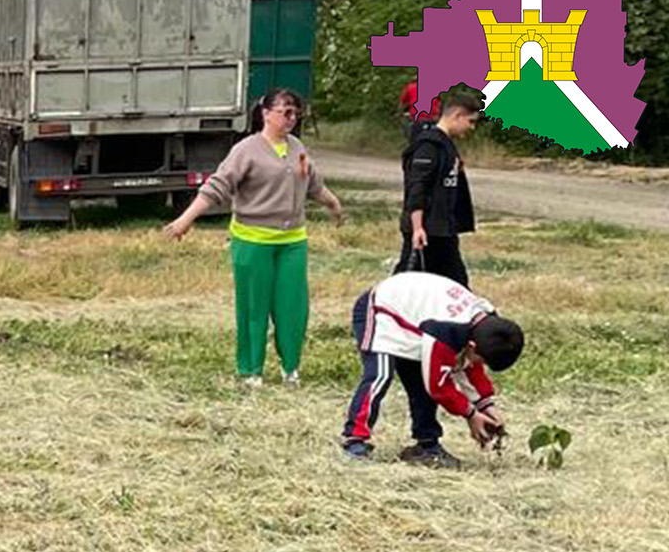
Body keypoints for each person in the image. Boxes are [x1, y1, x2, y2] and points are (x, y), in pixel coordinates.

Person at [162, 89, 345, 387]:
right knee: (253, 307)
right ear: (266, 113)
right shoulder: (246, 150)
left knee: (293, 307)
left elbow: (314, 185)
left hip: (292, 241)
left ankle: (291, 368)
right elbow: (216, 188)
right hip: (253, 241)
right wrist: (186, 219)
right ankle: (251, 370)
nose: (291, 118)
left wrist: (334, 205)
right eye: (285, 111)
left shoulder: (297, 147)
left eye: (295, 113)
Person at [341, 270, 523, 468]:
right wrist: (471, 414)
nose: (480, 365)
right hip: (380, 308)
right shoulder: (447, 331)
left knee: (421, 379)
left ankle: (426, 445)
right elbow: (438, 386)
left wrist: (487, 407)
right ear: (471, 346)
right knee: (380, 374)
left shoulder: (487, 325)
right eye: (482, 360)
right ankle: (354, 440)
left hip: (415, 317)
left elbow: (471, 370)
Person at [397, 93, 479, 286]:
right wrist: (417, 228)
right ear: (457, 115)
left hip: (445, 229)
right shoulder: (428, 146)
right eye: (470, 121)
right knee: (407, 283)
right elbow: (417, 188)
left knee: (456, 285)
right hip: (427, 230)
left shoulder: (446, 146)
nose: (471, 127)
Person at [399, 77, 443, 143]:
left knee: (414, 140)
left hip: (418, 118)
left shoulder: (410, 88)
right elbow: (439, 103)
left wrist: (400, 113)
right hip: (433, 118)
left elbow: (403, 103)